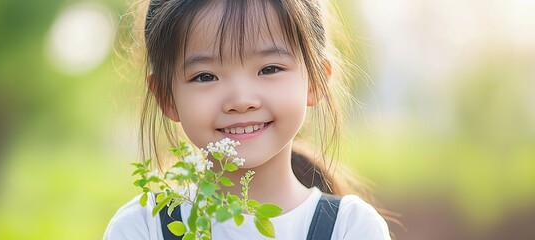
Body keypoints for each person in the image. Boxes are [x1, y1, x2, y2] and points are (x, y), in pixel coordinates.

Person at [105, 0, 392, 239]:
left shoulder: (351, 229)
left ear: (315, 81)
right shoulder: (143, 228)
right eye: (206, 76)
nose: (241, 100)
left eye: (269, 69)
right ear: (167, 97)